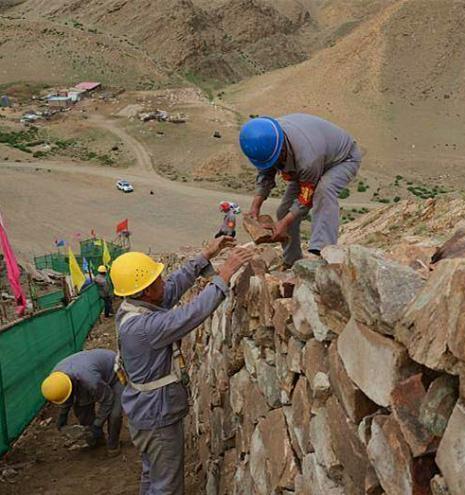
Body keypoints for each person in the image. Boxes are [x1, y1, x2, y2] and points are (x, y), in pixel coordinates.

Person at [110, 236, 253, 495]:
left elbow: (173, 287)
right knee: (167, 487)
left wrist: (205, 257)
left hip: (144, 413)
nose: (164, 282)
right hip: (156, 416)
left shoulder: (135, 306)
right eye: (157, 281)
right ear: (145, 291)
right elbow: (191, 314)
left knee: (152, 473)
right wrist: (225, 272)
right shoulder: (144, 328)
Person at [239, 113, 361, 267]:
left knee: (324, 190)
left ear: (281, 149)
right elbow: (265, 173)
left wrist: (284, 224)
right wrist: (255, 207)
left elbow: (305, 197)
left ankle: (324, 254)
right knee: (284, 211)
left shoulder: (307, 157)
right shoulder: (267, 141)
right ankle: (292, 262)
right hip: (310, 162)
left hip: (343, 159)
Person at [41, 349, 124, 456]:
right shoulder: (56, 378)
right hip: (86, 372)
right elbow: (66, 398)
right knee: (82, 410)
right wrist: (62, 417)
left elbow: (108, 399)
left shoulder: (90, 380)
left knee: (115, 414)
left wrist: (97, 425)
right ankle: (96, 440)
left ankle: (113, 444)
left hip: (114, 372)